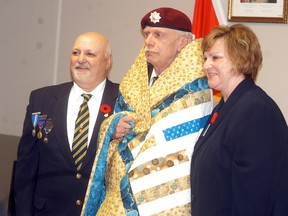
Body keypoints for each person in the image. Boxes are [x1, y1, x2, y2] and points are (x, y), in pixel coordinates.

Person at [81, 7, 213, 216]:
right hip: (113, 203)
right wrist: (114, 127)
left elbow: (177, 144)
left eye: (158, 35)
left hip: (160, 202)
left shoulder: (195, 89)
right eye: (147, 34)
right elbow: (115, 122)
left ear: (183, 43)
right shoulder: (133, 84)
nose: (148, 41)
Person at [14, 32, 119, 216]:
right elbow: (26, 170)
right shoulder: (41, 100)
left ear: (108, 61)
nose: (81, 60)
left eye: (90, 54)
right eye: (75, 53)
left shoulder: (123, 102)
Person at [190, 24, 288, 216]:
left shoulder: (256, 111)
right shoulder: (226, 106)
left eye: (215, 58)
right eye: (205, 58)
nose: (206, 65)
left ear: (241, 60)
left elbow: (255, 198)